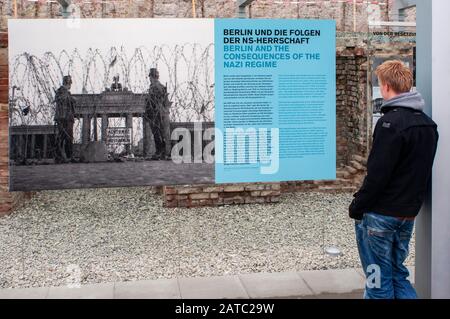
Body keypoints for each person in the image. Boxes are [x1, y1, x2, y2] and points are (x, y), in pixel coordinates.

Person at [349, 60, 439, 299]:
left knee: (377, 282)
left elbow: (378, 174)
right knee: (398, 275)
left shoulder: (389, 124)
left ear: (386, 86)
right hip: (406, 215)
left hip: (380, 215)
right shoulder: (428, 125)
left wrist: (357, 206)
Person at [145, 68, 169, 160]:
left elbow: (153, 101)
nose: (149, 79)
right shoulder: (160, 86)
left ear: (152, 76)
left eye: (150, 76)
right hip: (160, 111)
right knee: (160, 132)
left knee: (156, 132)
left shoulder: (155, 86)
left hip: (155, 112)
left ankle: (159, 152)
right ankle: (162, 152)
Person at [54, 75, 76, 163]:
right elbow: (59, 99)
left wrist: (72, 99)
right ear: (67, 83)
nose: (70, 85)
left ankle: (65, 156)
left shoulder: (66, 92)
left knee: (67, 137)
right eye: (70, 83)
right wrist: (70, 98)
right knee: (65, 136)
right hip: (63, 117)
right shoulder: (61, 91)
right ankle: (63, 156)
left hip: (67, 117)